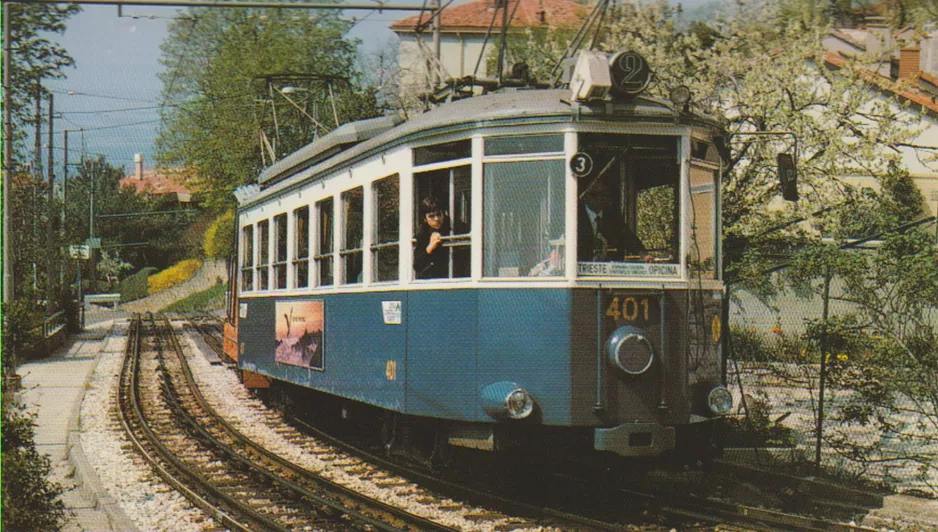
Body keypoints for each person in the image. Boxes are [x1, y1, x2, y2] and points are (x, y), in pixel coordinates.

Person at [577, 178, 651, 263]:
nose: (600, 198)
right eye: (595, 194)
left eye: (604, 194)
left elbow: (628, 237)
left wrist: (643, 254)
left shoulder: (613, 218)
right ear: (585, 197)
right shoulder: (575, 217)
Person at [414, 197, 450, 279]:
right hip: (431, 279)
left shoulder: (454, 228)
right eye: (431, 216)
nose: (437, 219)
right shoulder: (422, 234)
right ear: (425, 219)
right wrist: (430, 247)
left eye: (439, 214)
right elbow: (417, 266)